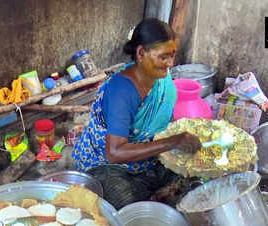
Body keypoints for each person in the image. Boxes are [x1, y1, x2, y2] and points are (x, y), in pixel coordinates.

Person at [72, 18, 200, 209]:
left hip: (146, 157)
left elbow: (163, 122)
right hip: (107, 163)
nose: (170, 63)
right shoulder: (121, 91)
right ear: (141, 53)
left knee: (195, 171)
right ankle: (153, 197)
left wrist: (179, 139)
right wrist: (173, 142)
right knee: (124, 205)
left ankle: (155, 194)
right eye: (163, 57)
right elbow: (114, 152)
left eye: (173, 55)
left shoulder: (162, 83)